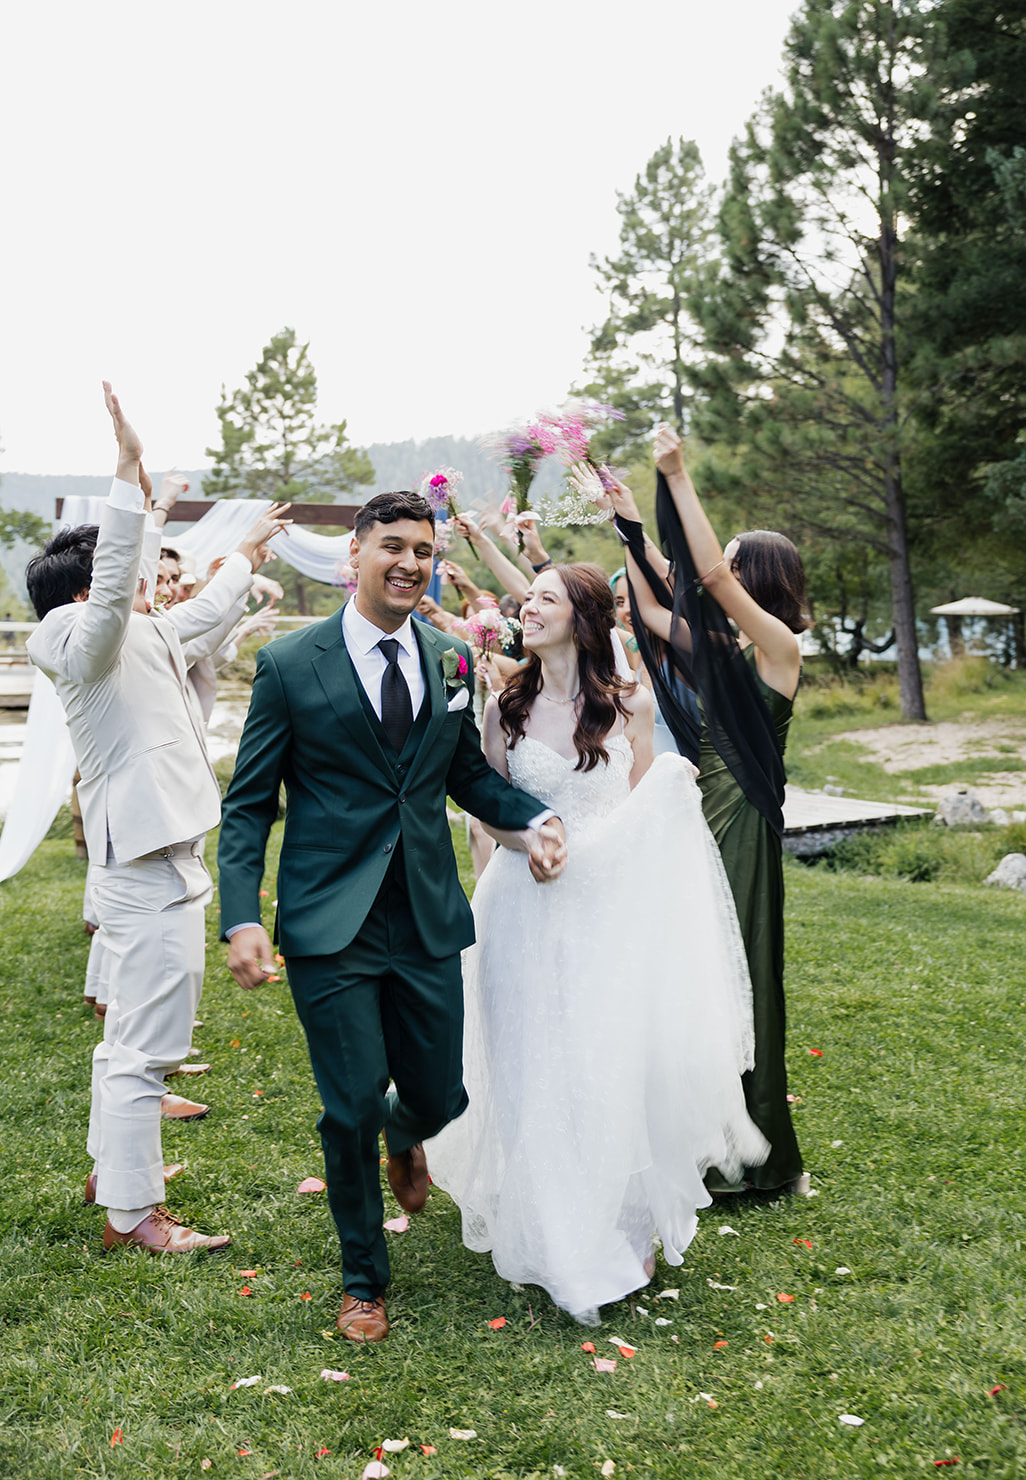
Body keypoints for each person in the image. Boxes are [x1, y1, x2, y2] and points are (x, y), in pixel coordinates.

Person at [218, 490, 568, 1345]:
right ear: (357, 555)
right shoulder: (290, 664)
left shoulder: (451, 660)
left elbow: (466, 779)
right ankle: (362, 1281)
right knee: (347, 1106)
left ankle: (405, 1137)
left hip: (424, 915)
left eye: (424, 549)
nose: (410, 563)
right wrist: (240, 915)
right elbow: (249, 803)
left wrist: (528, 821)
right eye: (394, 547)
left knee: (440, 1094)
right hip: (326, 921)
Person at [426, 563, 767, 1324]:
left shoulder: (629, 707)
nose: (528, 608)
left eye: (545, 598)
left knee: (599, 1063)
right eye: (528, 599)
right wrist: (519, 851)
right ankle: (549, 1232)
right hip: (517, 910)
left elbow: (651, 817)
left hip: (605, 915)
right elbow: (487, 807)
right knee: (524, 1067)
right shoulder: (502, 708)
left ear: (582, 619)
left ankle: (618, 1223)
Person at [25, 382, 287, 1254]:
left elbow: (205, 614)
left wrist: (246, 551)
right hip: (139, 867)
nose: (147, 579)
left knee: (131, 1046)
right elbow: (108, 599)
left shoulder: (147, 631)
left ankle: (115, 1171)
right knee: (146, 1050)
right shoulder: (70, 636)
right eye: (130, 567)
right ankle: (134, 1214)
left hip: (170, 859)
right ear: (86, 584)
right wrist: (128, 474)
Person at [607, 426, 808, 1195]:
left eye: (730, 556)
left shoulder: (778, 648)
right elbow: (655, 609)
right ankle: (703, 1140)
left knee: (746, 977)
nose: (717, 562)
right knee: (696, 974)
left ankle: (757, 1160)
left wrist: (677, 476)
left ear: (757, 574)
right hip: (694, 820)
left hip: (743, 825)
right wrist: (629, 522)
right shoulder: (722, 652)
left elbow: (704, 576)